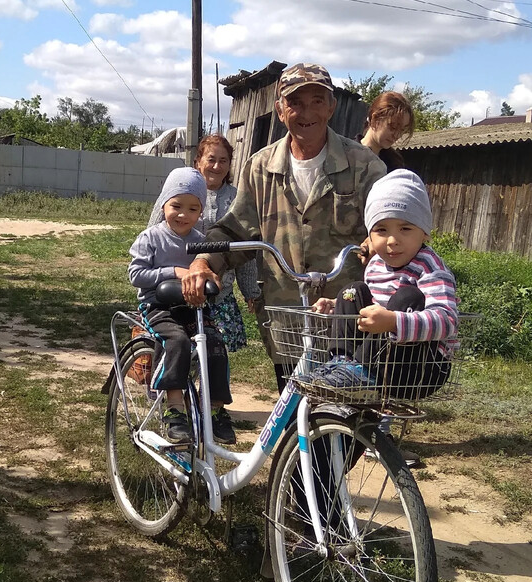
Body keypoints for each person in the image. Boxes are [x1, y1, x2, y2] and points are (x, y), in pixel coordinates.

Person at [182, 62, 389, 392]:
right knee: (297, 426)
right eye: (295, 102)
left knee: (346, 426)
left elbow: (392, 231)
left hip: (348, 321)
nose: (306, 112)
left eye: (317, 101)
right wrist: (203, 262)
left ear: (332, 107)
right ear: (280, 110)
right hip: (287, 320)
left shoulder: (365, 166)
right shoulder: (260, 167)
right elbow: (235, 230)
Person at [303, 170, 459, 400]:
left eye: (405, 229)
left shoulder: (430, 267)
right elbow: (374, 307)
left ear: (424, 232)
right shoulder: (376, 264)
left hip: (421, 367)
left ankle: (356, 371)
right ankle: (342, 364)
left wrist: (393, 321)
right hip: (383, 361)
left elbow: (448, 321)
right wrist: (337, 305)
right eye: (381, 230)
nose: (392, 240)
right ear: (370, 236)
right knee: (351, 291)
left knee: (408, 297)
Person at [129, 167, 235, 446]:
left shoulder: (202, 243)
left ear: (201, 212)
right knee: (176, 341)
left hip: (192, 306)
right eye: (176, 205)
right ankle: (174, 407)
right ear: (164, 203)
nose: (182, 214)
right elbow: (136, 275)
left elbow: (212, 270)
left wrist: (213, 279)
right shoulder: (151, 237)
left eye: (192, 208)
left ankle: (213, 409)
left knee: (214, 343)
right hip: (157, 306)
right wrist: (174, 271)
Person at [147, 134, 262, 354]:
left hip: (218, 292)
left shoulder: (237, 199)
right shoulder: (177, 192)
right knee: (174, 351)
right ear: (198, 161)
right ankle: (165, 388)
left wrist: (250, 291)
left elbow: (243, 248)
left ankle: (208, 389)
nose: (217, 166)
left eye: (224, 160)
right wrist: (151, 282)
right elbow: (153, 234)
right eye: (211, 159)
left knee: (214, 356)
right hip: (176, 289)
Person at [360, 90, 415, 172]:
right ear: (374, 119)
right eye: (392, 127)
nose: (397, 135)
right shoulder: (347, 153)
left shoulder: (394, 163)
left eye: (402, 130)